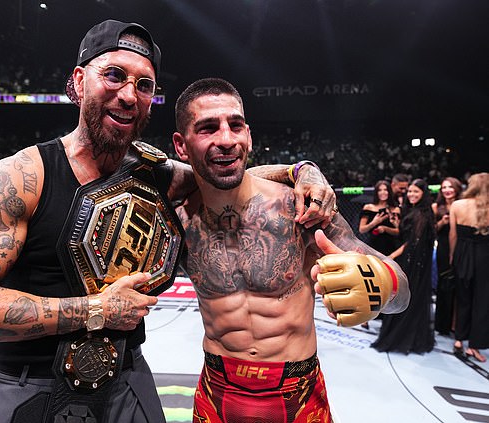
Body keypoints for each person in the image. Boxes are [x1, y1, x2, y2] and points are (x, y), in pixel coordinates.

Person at [0, 20, 336, 423]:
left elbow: (228, 176)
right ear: (80, 80)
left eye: (144, 85)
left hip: (126, 383)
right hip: (29, 386)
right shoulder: (21, 177)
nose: (128, 94)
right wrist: (95, 311)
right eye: (115, 76)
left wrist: (303, 169)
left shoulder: (155, 174)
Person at [172, 78, 409, 423]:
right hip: (217, 389)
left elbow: (402, 292)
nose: (226, 139)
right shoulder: (178, 220)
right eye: (208, 128)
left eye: (235, 125)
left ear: (248, 136)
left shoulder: (298, 207)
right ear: (182, 144)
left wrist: (383, 284)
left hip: (297, 392)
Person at [372, 179, 435, 354]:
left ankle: (402, 337)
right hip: (411, 259)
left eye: (416, 192)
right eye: (410, 191)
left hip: (412, 260)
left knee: (405, 295)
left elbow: (412, 242)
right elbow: (405, 233)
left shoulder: (422, 214)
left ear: (423, 194)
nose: (412, 195)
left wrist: (393, 256)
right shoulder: (414, 211)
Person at [449, 172, 489, 363]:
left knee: (462, 298)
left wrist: (452, 256)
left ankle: (458, 341)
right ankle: (474, 346)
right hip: (484, 257)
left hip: (462, 254)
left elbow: (453, 235)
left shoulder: (457, 205)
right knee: (481, 303)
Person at [431, 177, 463, 336]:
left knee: (460, 288)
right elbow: (430, 231)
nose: (447, 190)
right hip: (444, 249)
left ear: (457, 188)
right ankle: (442, 325)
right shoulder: (437, 207)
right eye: (444, 187)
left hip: (463, 249)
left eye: (450, 187)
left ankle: (456, 324)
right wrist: (443, 222)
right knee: (445, 286)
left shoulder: (464, 206)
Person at [358, 180, 400, 256]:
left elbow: (399, 231)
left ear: (389, 192)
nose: (382, 192)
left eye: (385, 190)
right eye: (380, 190)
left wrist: (385, 229)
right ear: (376, 192)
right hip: (373, 246)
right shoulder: (368, 207)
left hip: (391, 247)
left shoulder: (395, 209)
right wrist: (374, 223)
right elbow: (362, 229)